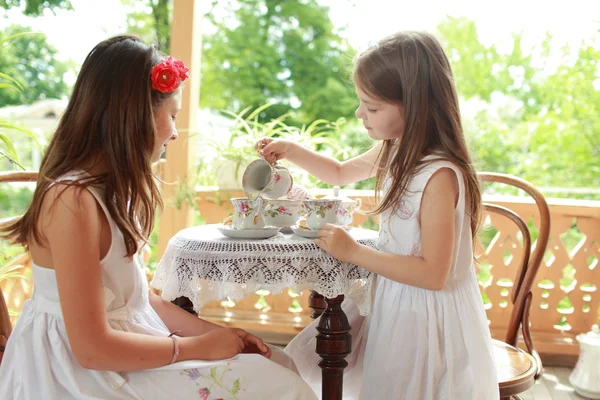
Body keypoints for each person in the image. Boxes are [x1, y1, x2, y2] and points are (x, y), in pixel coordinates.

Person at [0, 35, 317, 400]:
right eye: (172, 115)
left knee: (278, 363)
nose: (176, 132)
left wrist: (215, 334)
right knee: (282, 387)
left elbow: (139, 300)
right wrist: (195, 348)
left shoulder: (111, 192)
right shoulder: (72, 201)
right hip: (75, 372)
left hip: (125, 347)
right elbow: (90, 349)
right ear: (133, 116)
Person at [256, 31, 499, 399]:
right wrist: (291, 149)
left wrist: (353, 252)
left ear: (414, 105)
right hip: (399, 303)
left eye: (371, 107)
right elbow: (339, 172)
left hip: (429, 320)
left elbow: (433, 274)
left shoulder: (439, 175)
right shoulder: (396, 150)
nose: (359, 113)